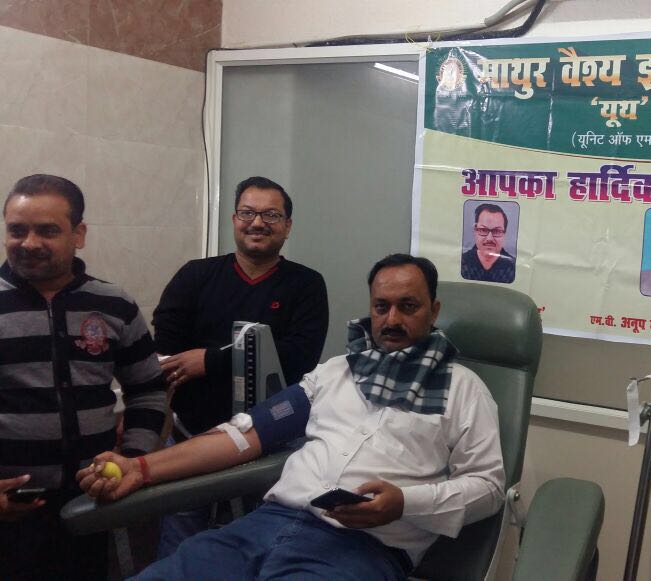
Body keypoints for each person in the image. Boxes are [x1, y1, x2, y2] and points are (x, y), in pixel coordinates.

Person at [79, 254, 505, 580]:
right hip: (262, 527)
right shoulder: (336, 372)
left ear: (433, 310)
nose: (392, 319)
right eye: (381, 306)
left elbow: (488, 487)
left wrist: (404, 503)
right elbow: (245, 435)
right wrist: (141, 468)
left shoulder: (463, 389)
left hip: (362, 549)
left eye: (408, 306)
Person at [0, 174, 167, 579]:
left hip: (93, 502)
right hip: (8, 509)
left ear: (79, 234)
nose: (29, 243)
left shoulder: (114, 304)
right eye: (17, 230)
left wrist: (131, 460)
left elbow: (148, 390)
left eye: (47, 231)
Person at [151, 176, 329, 554]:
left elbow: (300, 356)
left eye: (271, 215)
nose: (257, 222)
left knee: (258, 546)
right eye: (247, 213)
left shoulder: (307, 285)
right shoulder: (195, 275)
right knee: (180, 544)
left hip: (271, 444)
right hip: (191, 437)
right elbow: (166, 348)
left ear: (287, 226)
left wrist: (209, 360)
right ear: (234, 220)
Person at [460, 203, 516, 283]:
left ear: (504, 234)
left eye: (497, 231)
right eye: (483, 230)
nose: (489, 238)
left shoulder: (514, 267)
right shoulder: (461, 262)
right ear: (475, 231)